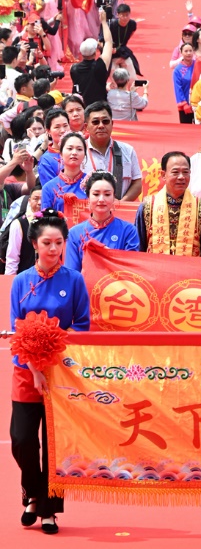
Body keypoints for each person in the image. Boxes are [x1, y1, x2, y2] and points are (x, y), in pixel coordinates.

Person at [10, 211, 90, 534]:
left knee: (54, 444)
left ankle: (48, 510)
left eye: (59, 242)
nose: (53, 249)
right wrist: (34, 365)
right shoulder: (20, 282)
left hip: (60, 373)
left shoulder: (74, 280)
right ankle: (33, 492)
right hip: (26, 374)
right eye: (46, 243)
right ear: (34, 244)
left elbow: (82, 326)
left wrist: (52, 352)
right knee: (22, 440)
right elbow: (18, 329)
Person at [135, 151, 201, 257]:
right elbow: (137, 250)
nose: (181, 177)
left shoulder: (200, 207)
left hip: (190, 271)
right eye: (175, 172)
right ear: (163, 175)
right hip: (155, 271)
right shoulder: (147, 207)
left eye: (185, 172)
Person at [65, 171, 140, 271]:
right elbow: (71, 274)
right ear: (88, 198)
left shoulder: (128, 231)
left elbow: (131, 270)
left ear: (114, 197)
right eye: (96, 194)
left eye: (107, 194)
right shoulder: (74, 234)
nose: (101, 199)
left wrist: (106, 254)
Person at [82, 101, 143, 201]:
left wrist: (120, 205)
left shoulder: (128, 151)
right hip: (86, 212)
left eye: (105, 121)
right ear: (86, 127)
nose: (101, 126)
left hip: (119, 212)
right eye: (95, 122)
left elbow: (137, 184)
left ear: (112, 124)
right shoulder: (77, 151)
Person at [40, 132, 89, 223]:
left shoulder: (92, 183)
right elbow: (45, 222)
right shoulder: (48, 188)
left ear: (85, 154)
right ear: (61, 154)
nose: (74, 153)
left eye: (79, 149)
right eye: (70, 148)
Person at [70, 9, 113, 107]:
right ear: (95, 52)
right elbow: (109, 42)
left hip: (81, 105)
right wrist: (103, 22)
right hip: (99, 105)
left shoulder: (73, 68)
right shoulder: (100, 65)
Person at [2, 186, 42, 275]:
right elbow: (12, 257)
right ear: (29, 201)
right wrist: (10, 280)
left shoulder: (53, 222)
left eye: (43, 199)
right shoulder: (18, 223)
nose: (40, 203)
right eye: (36, 199)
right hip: (25, 276)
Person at [173, 42, 195, 123]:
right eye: (186, 51)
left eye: (190, 50)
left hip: (198, 105)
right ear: (181, 52)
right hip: (185, 106)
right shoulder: (177, 70)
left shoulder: (198, 65)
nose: (188, 53)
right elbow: (178, 89)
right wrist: (184, 104)